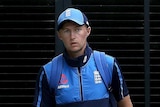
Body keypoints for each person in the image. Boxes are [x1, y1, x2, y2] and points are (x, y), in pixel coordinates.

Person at [33, 7, 133, 107]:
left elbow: (125, 103)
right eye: (67, 31)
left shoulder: (108, 64)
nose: (72, 36)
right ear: (59, 35)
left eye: (78, 29)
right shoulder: (49, 72)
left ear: (88, 31)